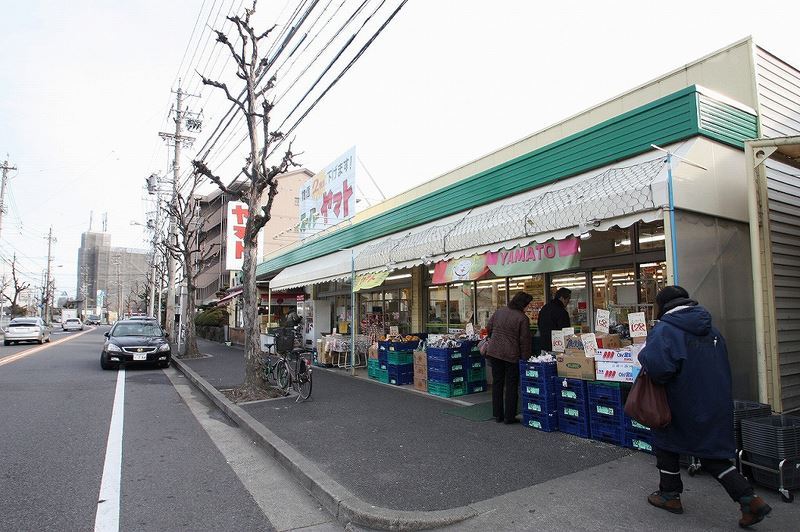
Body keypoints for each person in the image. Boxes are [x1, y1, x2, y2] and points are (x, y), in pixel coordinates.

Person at [638, 286, 771, 528]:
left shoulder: (666, 330)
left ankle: (670, 496)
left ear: (662, 305)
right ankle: (749, 499)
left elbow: (658, 368)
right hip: (714, 400)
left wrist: (644, 355)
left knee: (666, 444)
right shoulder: (712, 329)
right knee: (710, 454)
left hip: (679, 401)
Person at [486, 291, 533, 424]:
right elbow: (525, 341)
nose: (528, 307)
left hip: (494, 352)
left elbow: (489, 328)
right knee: (511, 385)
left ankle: (498, 415)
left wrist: (495, 338)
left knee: (497, 383)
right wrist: (525, 359)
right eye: (527, 304)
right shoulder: (522, 318)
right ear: (523, 304)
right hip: (511, 355)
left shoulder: (499, 312)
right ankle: (509, 416)